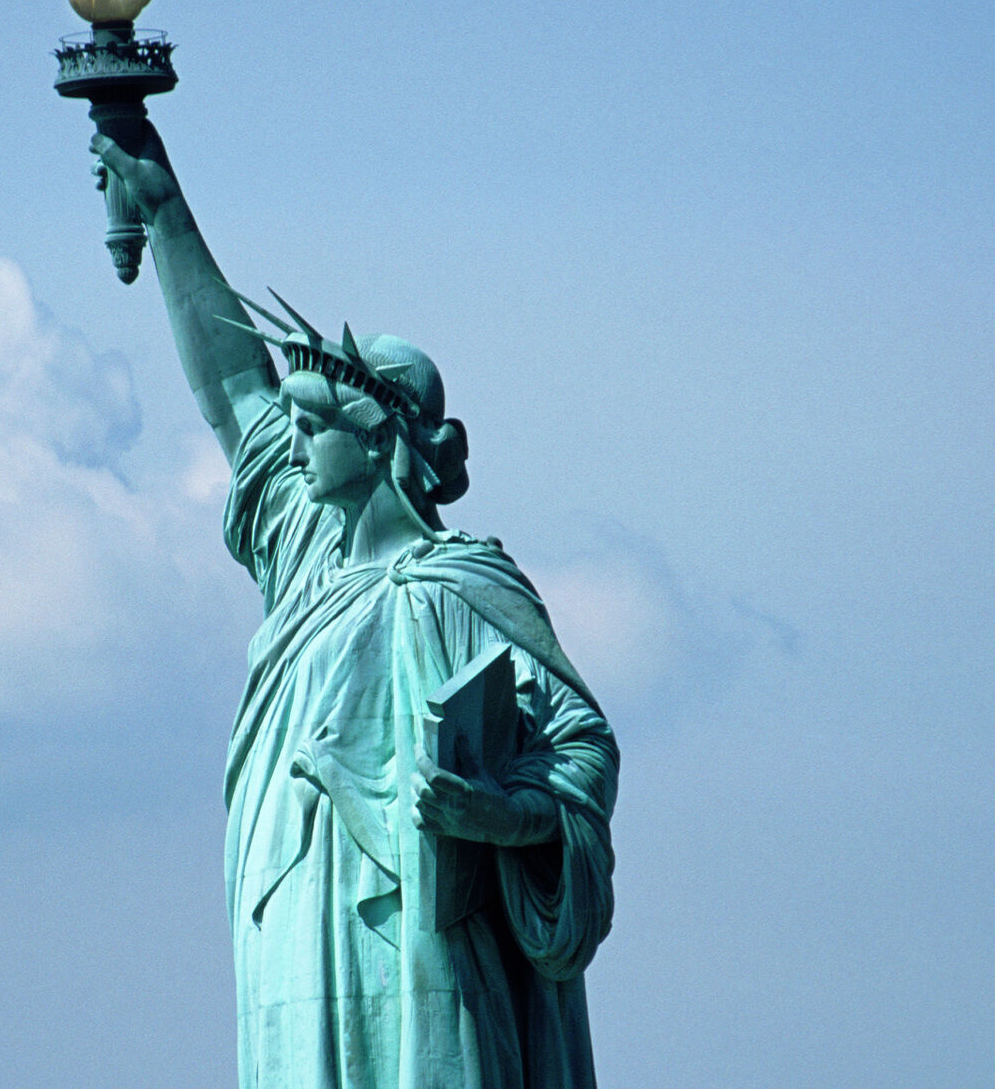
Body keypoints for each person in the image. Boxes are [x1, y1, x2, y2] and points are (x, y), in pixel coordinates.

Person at [92, 117, 618, 1089]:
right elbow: (231, 391)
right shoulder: (304, 558)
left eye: (310, 427)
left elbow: (581, 747)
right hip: (294, 934)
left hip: (424, 941)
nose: (287, 447)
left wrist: (503, 816)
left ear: (374, 436)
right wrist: (163, 207)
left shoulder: (462, 586)